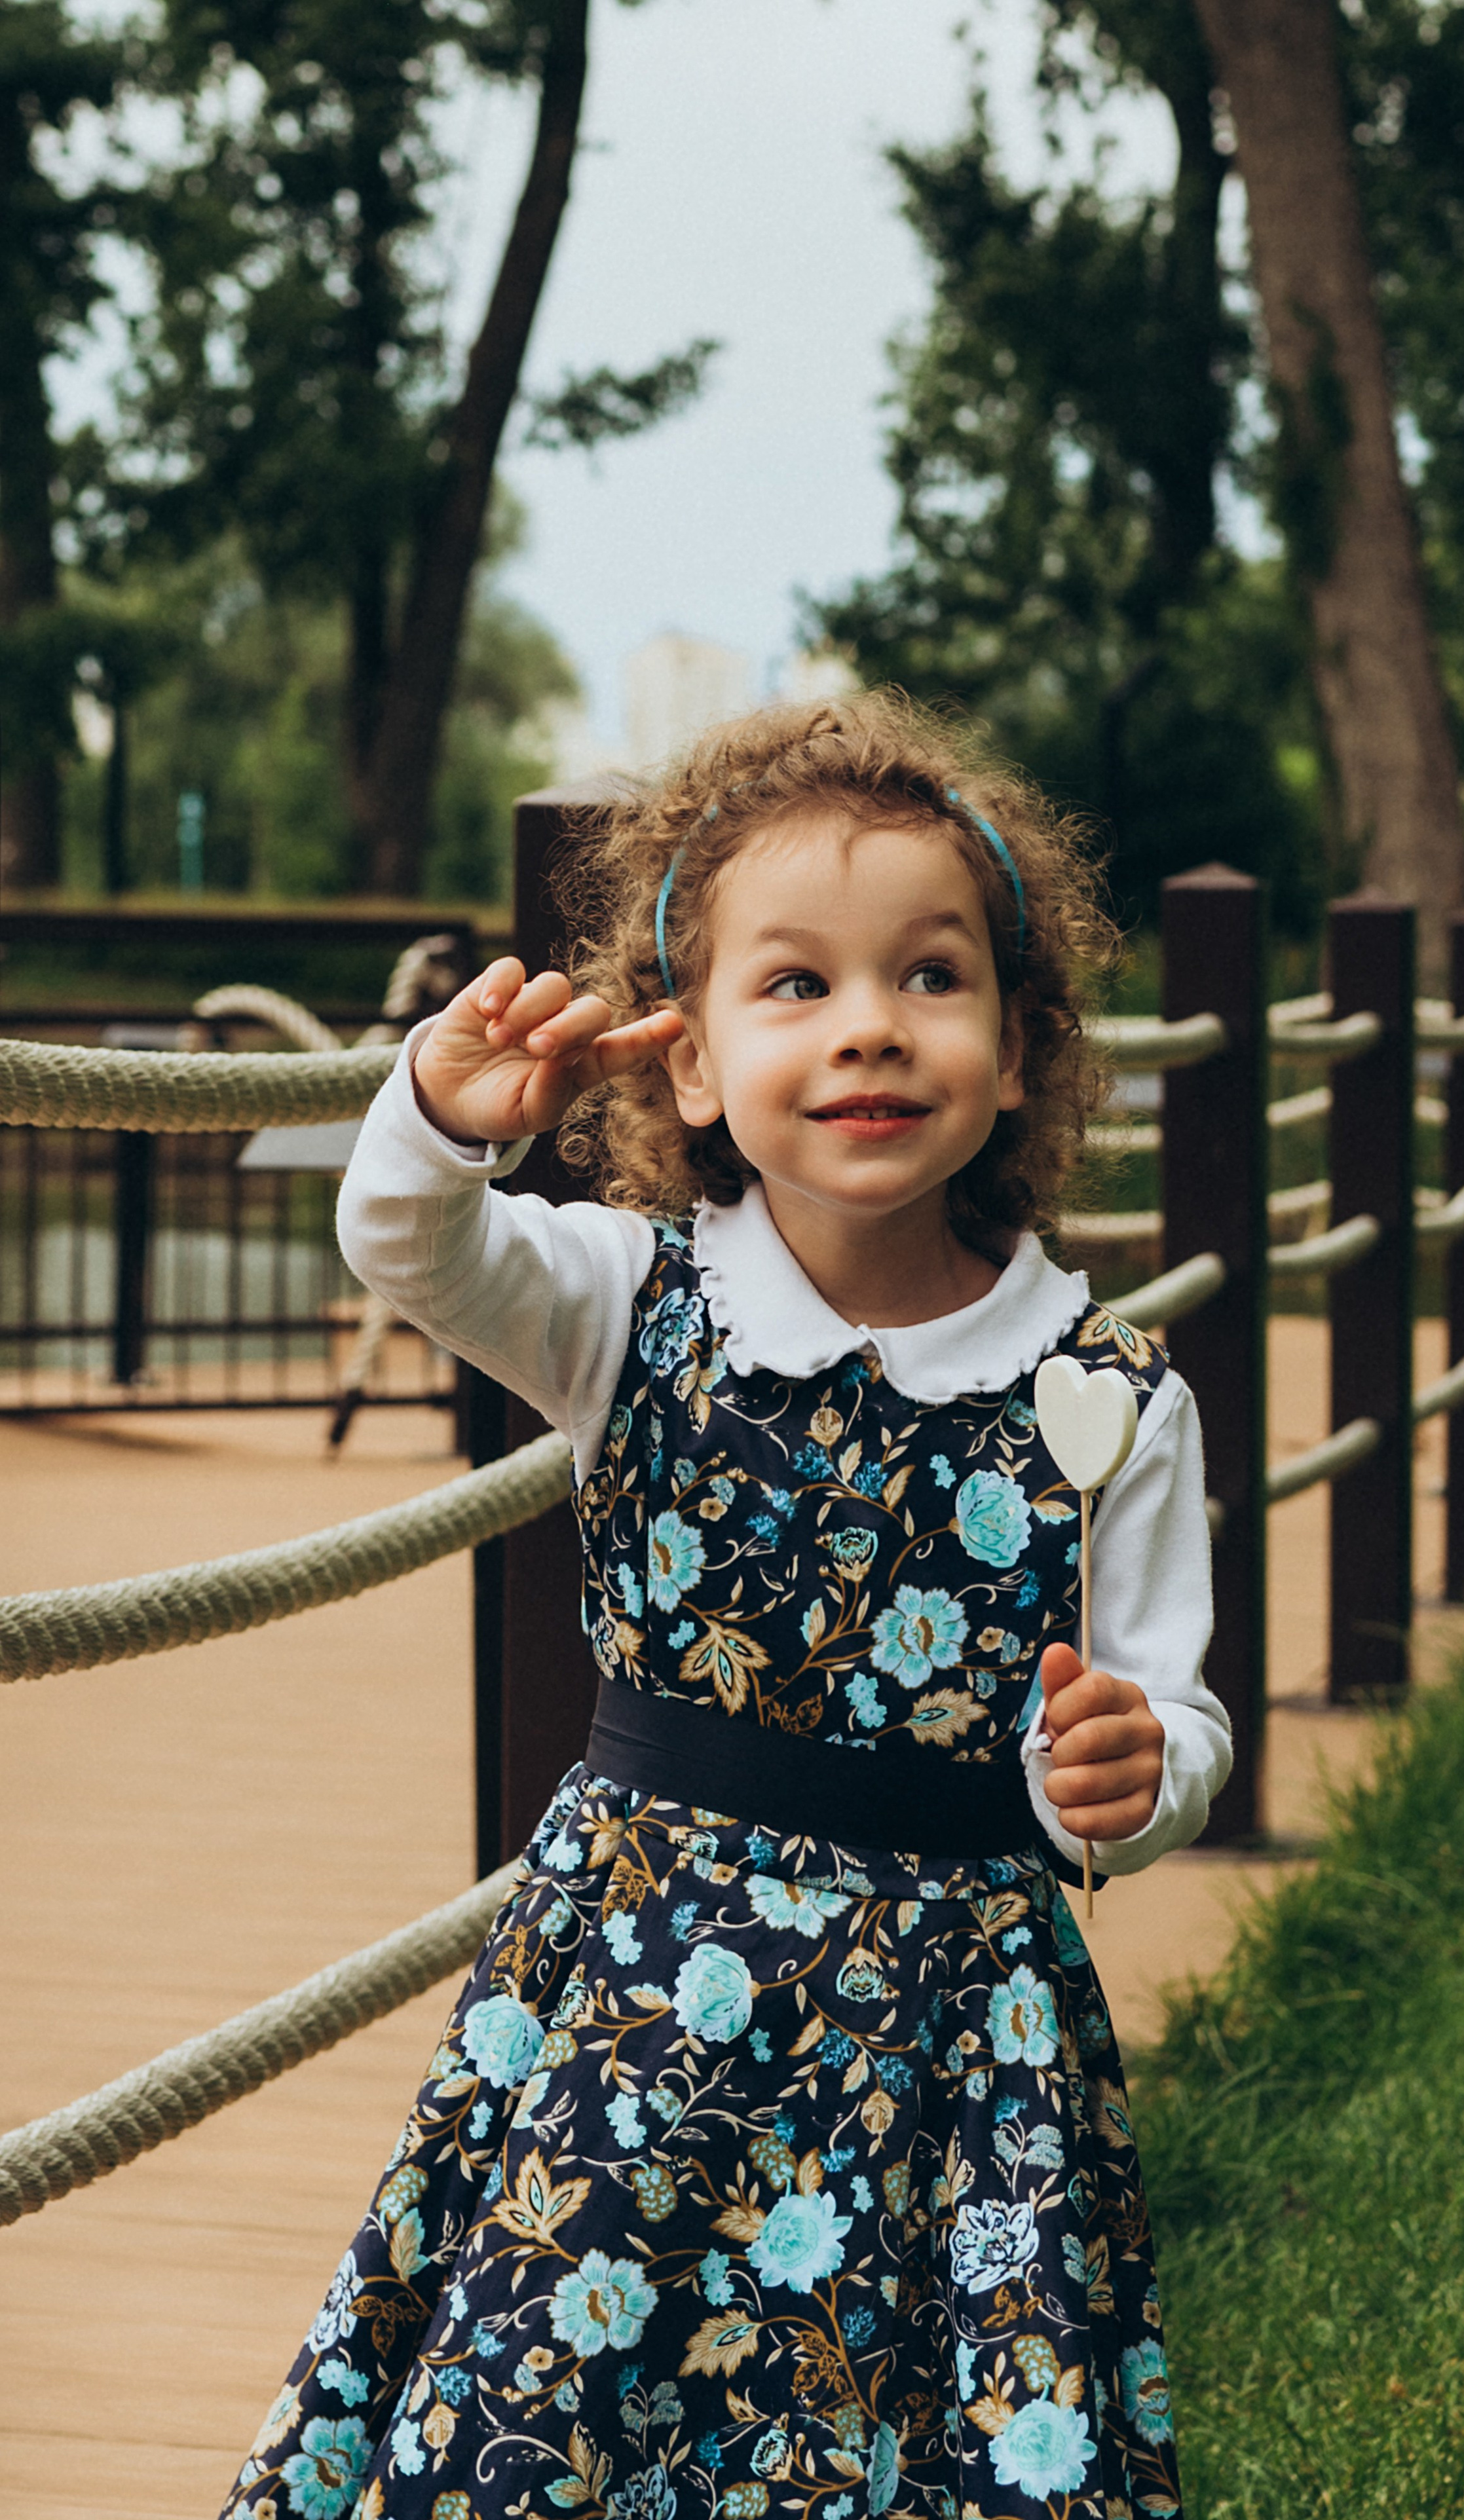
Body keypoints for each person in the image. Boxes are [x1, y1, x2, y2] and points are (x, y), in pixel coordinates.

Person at [224, 693, 1229, 2520]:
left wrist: (1137, 1766)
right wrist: (443, 1116)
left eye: (932, 978)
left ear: (1017, 1055)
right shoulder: (627, 1303)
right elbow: (413, 1245)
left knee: (924, 2436)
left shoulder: (1111, 1395)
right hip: (630, 2006)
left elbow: (1174, 1718)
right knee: (559, 2411)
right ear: (688, 1065)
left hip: (958, 2034)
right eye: (796, 987)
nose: (868, 1027)